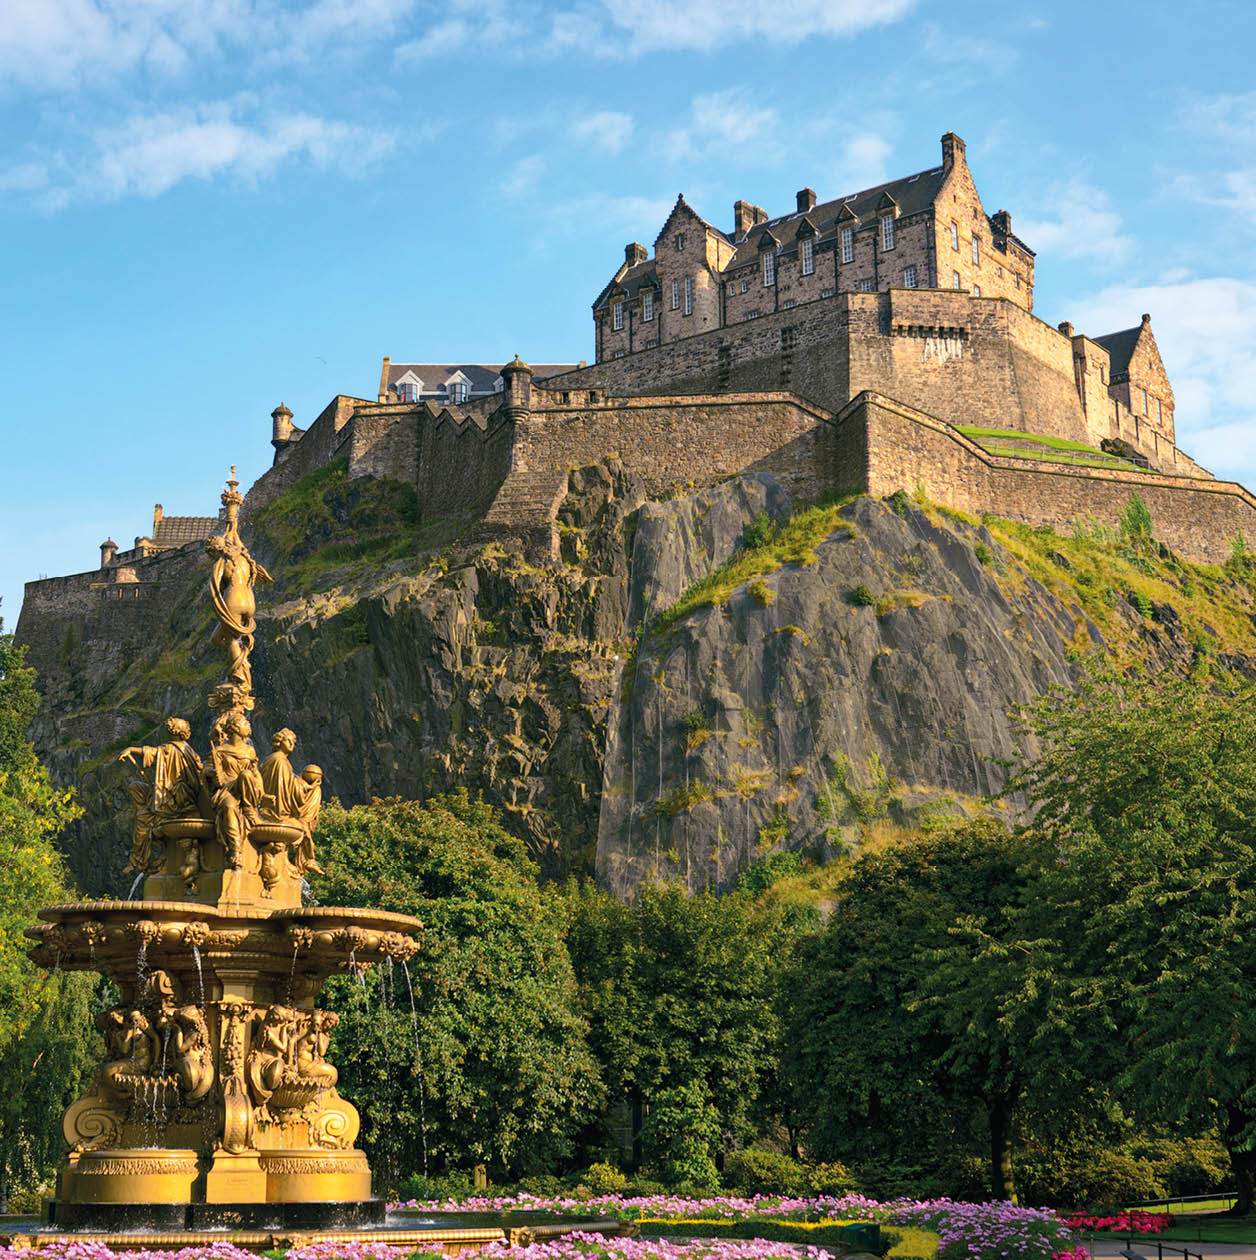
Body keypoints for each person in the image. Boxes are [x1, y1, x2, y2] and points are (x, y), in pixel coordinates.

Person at [118, 717, 205, 874]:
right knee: (135, 787)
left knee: (142, 819)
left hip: (174, 800)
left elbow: (152, 752)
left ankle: (139, 861)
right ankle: (150, 814)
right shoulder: (187, 750)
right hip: (170, 794)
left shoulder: (172, 749)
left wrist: (131, 749)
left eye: (169, 730)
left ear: (174, 733)